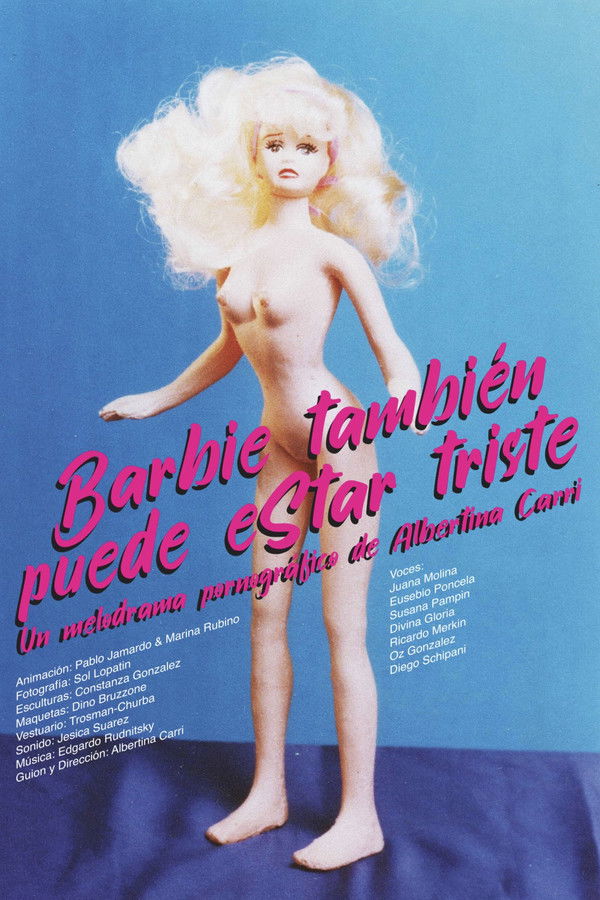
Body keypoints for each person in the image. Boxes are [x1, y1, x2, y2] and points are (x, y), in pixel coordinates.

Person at [100, 56, 422, 870]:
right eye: (274, 143)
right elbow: (225, 349)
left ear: (330, 163)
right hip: (280, 446)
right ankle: (268, 791)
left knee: (342, 627)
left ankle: (360, 816)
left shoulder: (334, 255)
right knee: (265, 613)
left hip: (340, 444)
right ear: (253, 154)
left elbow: (393, 352)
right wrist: (156, 399)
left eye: (306, 147)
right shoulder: (236, 254)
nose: (288, 158)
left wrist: (405, 391)